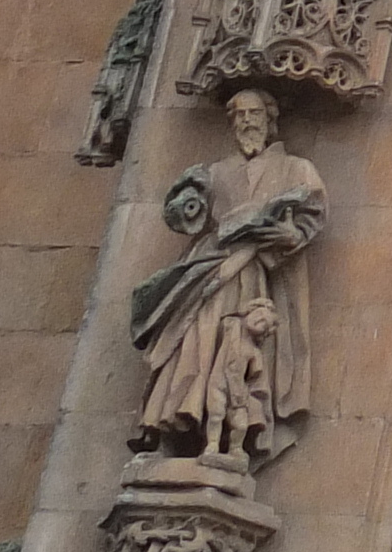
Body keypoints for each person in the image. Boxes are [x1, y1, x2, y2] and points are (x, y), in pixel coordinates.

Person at [132, 87, 326, 469]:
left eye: (254, 114)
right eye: (239, 116)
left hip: (254, 274)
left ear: (271, 120)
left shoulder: (297, 168)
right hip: (209, 270)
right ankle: (172, 425)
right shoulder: (215, 173)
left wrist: (288, 235)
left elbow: (311, 216)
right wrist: (185, 202)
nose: (247, 122)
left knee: (238, 353)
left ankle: (231, 437)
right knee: (191, 346)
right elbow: (188, 218)